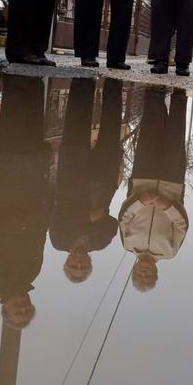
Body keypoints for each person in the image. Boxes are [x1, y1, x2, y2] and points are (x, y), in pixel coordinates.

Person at [0, 74, 52, 329]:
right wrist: (42, 212)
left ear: (5, 310)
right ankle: (34, 80)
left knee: (13, 126)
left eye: (18, 311)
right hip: (31, 186)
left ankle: (18, 76)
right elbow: (39, 238)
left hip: (5, 187)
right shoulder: (31, 275)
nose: (22, 306)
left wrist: (25, 221)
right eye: (27, 310)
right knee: (32, 125)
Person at [50, 77, 123, 283]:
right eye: (83, 267)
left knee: (77, 119)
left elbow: (60, 218)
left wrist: (89, 217)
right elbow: (112, 225)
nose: (79, 263)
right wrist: (87, 218)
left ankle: (84, 77)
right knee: (111, 123)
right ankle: (114, 80)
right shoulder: (100, 242)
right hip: (103, 178)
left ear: (67, 262)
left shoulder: (59, 240)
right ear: (90, 263)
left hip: (72, 173)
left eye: (74, 266)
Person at [119, 88, 190, 291]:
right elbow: (181, 225)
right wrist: (166, 205)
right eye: (148, 275)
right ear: (155, 272)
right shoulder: (170, 251)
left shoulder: (128, 243)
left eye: (140, 274)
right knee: (175, 135)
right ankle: (179, 94)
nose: (144, 271)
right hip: (171, 183)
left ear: (134, 269)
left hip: (143, 179)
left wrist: (141, 200)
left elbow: (124, 216)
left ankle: (155, 92)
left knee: (150, 132)